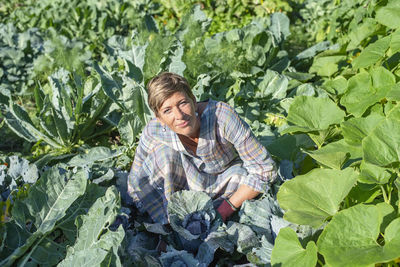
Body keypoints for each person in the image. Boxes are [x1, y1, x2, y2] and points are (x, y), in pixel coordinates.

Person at [127, 72, 277, 224]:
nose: (179, 115)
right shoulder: (154, 130)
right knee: (163, 154)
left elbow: (265, 169)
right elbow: (136, 177)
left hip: (226, 183)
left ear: (193, 100)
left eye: (182, 103)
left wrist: (225, 210)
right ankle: (168, 225)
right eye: (167, 110)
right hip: (184, 189)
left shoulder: (222, 118)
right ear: (159, 118)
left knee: (242, 175)